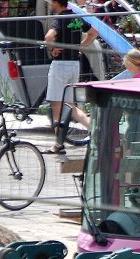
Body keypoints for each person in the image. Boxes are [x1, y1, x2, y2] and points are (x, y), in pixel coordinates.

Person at [44, 0, 98, 154]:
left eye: (52, 2)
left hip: (60, 65)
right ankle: (95, 129)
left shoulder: (60, 19)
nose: (51, 5)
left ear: (56, 3)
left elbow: (48, 37)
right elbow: (94, 33)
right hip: (75, 65)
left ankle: (58, 144)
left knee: (56, 105)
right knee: (69, 105)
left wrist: (52, 48)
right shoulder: (76, 17)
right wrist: (79, 46)